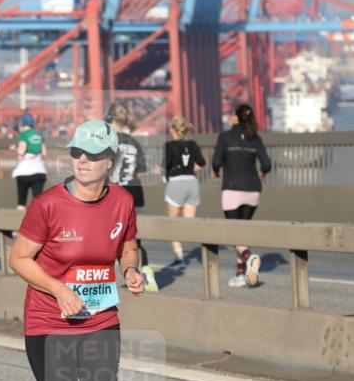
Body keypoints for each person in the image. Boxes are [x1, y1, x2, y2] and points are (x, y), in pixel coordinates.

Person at [7, 118, 146, 381]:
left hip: (102, 321)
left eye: (92, 154)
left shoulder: (122, 200)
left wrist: (132, 269)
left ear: (110, 160)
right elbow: (19, 259)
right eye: (77, 153)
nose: (82, 161)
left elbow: (128, 245)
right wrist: (59, 290)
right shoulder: (48, 204)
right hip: (50, 322)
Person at [211, 104, 271, 288]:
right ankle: (240, 274)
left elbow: (216, 161)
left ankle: (248, 257)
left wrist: (216, 171)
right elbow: (267, 164)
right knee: (242, 232)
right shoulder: (256, 138)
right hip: (253, 190)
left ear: (236, 118)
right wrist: (261, 175)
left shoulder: (225, 137)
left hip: (232, 189)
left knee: (234, 233)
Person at [106, 103, 157, 291]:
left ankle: (107, 279)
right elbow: (142, 171)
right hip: (136, 193)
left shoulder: (109, 142)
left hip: (116, 195)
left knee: (112, 238)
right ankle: (146, 272)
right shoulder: (134, 142)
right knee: (136, 238)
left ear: (111, 120)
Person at [163, 116, 206, 270]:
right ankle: (204, 249)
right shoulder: (193, 144)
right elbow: (202, 163)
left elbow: (166, 165)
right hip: (192, 182)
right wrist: (188, 169)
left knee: (172, 223)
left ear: (173, 130)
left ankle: (179, 258)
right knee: (189, 223)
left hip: (176, 183)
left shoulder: (169, 146)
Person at [11, 111, 48, 210]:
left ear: (22, 123)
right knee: (38, 202)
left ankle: (19, 223)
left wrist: (14, 148)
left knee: (21, 202)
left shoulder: (23, 135)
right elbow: (44, 153)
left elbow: (21, 151)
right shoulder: (39, 135)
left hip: (24, 172)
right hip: (39, 172)